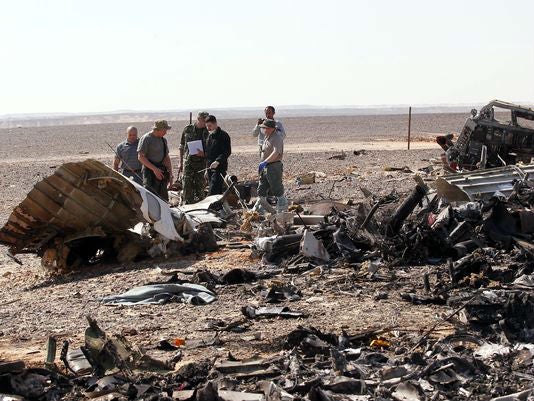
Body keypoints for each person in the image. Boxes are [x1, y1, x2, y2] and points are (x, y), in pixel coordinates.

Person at [252, 119, 287, 214]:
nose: (264, 130)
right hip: (265, 166)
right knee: (262, 186)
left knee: (276, 187)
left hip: (273, 166)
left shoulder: (276, 138)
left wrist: (266, 161)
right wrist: (263, 163)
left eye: (265, 128)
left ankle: (282, 209)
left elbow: (276, 152)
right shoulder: (267, 137)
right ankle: (259, 208)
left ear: (271, 128)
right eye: (263, 128)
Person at [137, 120, 173, 201]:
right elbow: (140, 157)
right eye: (164, 130)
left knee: (163, 198)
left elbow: (166, 158)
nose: (166, 133)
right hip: (149, 173)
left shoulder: (163, 140)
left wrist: (170, 174)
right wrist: (154, 169)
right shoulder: (146, 138)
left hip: (161, 172)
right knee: (150, 198)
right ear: (158, 129)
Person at [179, 111, 209, 204]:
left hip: (201, 164)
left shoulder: (208, 132)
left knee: (200, 187)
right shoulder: (188, 129)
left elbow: (212, 150)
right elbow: (182, 145)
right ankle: (188, 205)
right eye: (204, 120)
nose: (206, 122)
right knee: (187, 186)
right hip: (188, 163)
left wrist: (204, 154)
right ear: (199, 119)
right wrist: (180, 162)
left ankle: (201, 206)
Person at [205, 115, 231, 196]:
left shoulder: (223, 135)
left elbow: (227, 151)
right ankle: (218, 208)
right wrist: (207, 168)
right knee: (216, 191)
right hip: (210, 168)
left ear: (215, 124)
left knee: (213, 191)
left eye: (210, 126)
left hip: (219, 168)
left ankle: (210, 208)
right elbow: (208, 154)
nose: (208, 128)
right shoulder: (209, 136)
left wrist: (218, 161)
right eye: (207, 126)